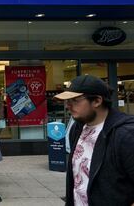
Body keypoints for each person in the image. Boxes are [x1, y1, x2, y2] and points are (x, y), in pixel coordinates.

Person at [54, 75, 134, 206]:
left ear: (97, 101)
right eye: (67, 101)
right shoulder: (77, 128)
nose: (68, 106)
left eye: (75, 100)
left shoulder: (125, 135)